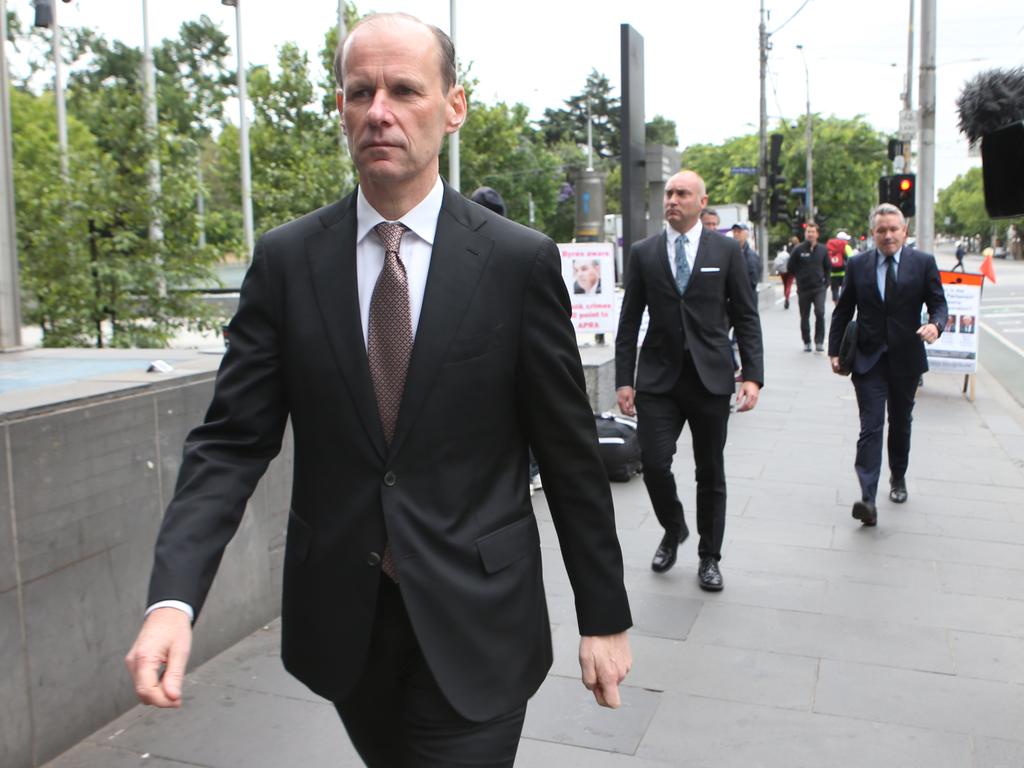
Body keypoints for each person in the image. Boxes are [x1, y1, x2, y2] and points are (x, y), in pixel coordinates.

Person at [124, 14, 632, 768]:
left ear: (453, 106)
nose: (380, 112)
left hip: (480, 619)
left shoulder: (516, 264)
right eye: (361, 92)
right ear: (341, 108)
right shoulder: (289, 262)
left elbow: (567, 453)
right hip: (346, 627)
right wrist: (173, 599)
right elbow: (231, 442)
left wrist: (604, 615)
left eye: (404, 90)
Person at [615, 170, 764, 592]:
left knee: (710, 471)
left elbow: (746, 315)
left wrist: (751, 375)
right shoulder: (644, 253)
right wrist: (625, 379)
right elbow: (629, 322)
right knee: (655, 462)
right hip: (659, 380)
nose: (672, 200)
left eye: (682, 193)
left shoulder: (726, 250)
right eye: (668, 193)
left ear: (702, 201)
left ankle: (709, 557)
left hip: (711, 379)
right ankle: (673, 525)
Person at [828, 203, 947, 527]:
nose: (888, 235)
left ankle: (898, 477)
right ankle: (867, 497)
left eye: (894, 229)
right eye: (882, 230)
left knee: (900, 421)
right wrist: (834, 351)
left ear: (904, 232)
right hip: (868, 359)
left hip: (907, 358)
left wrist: (936, 325)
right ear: (874, 233)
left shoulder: (922, 263)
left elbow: (938, 302)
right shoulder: (858, 264)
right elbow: (843, 310)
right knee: (871, 425)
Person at [788, 222, 831, 351]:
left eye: (813, 232)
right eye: (808, 232)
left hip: (819, 288)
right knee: (804, 316)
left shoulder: (823, 249)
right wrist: (799, 278)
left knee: (820, 312)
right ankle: (806, 341)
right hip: (803, 289)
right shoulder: (798, 249)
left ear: (817, 234)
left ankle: (819, 341)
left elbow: (828, 267)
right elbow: (790, 267)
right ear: (805, 234)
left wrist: (826, 283)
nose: (810, 234)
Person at [731, 222, 760, 295]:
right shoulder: (732, 252)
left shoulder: (750, 255)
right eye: (734, 231)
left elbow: (753, 280)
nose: (736, 234)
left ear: (746, 234)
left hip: (746, 297)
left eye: (739, 231)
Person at [825, 230, 854, 303]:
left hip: (833, 273)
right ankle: (843, 308)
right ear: (843, 240)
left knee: (835, 291)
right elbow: (852, 259)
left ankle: (837, 307)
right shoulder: (847, 247)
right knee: (845, 292)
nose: (847, 241)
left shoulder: (829, 246)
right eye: (846, 239)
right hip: (844, 273)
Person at [778, 235, 800, 309]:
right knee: (789, 284)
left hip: (783, 269)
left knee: (785, 285)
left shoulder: (787, 248)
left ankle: (786, 298)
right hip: (791, 270)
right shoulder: (798, 248)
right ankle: (787, 297)